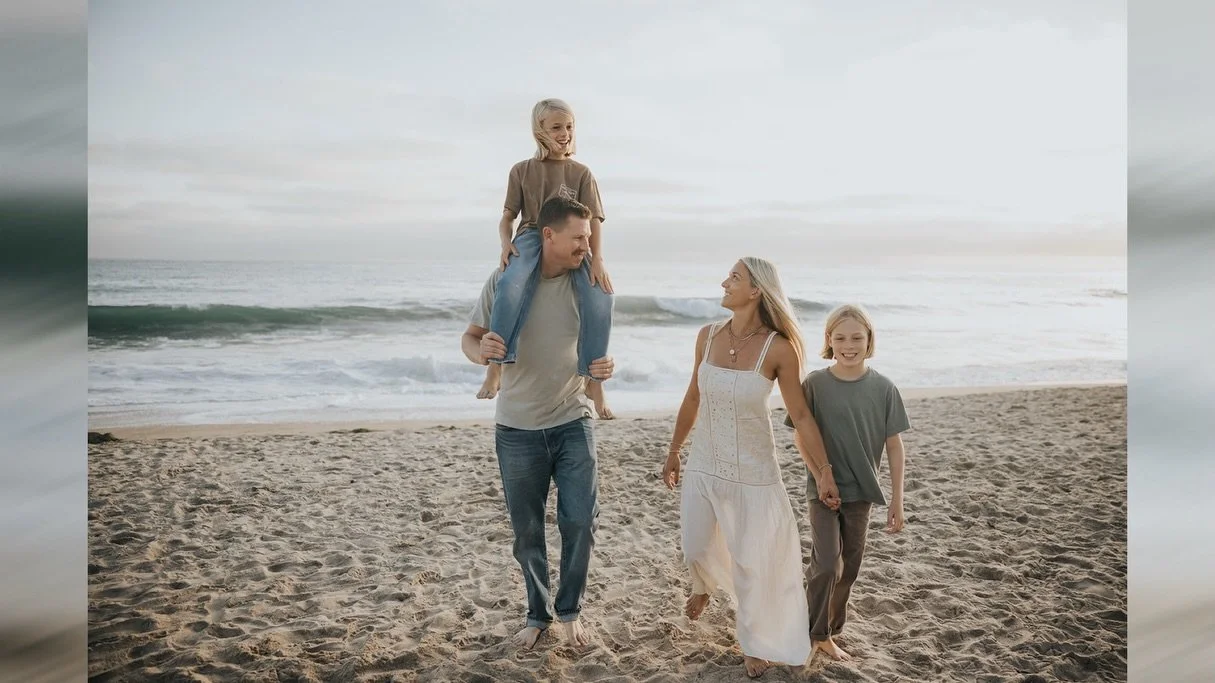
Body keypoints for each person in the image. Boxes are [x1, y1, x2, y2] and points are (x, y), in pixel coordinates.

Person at [661, 257, 840, 678]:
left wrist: (824, 470)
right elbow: (692, 398)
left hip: (753, 472)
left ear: (756, 290)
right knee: (695, 545)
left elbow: (801, 414)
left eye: (734, 278)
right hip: (705, 462)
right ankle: (703, 583)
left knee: (751, 562)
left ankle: (754, 641)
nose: (724, 282)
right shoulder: (706, 337)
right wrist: (674, 450)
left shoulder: (778, 347)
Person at [461, 195, 616, 650]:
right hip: (516, 428)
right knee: (527, 531)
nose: (587, 247)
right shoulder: (505, 282)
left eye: (589, 238)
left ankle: (569, 612)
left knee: (580, 521)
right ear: (547, 235)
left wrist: (603, 370)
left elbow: (596, 351)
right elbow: (470, 340)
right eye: (579, 238)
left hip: (572, 420)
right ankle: (537, 615)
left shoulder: (588, 284)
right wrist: (482, 351)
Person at [783, 303, 910, 662]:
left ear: (869, 340)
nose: (848, 344)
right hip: (822, 491)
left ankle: (830, 631)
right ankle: (815, 632)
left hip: (861, 494)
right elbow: (799, 437)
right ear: (828, 340)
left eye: (857, 337)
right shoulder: (815, 385)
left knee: (849, 567)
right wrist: (820, 474)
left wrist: (897, 499)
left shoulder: (884, 388)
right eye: (839, 337)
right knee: (826, 563)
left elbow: (894, 446)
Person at [477, 97, 616, 419]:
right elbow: (507, 217)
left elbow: (593, 219)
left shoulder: (581, 173)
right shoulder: (522, 170)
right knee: (510, 284)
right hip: (529, 235)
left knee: (601, 297)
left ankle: (594, 381)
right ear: (539, 130)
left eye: (569, 127)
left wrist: (597, 258)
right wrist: (504, 244)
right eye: (557, 127)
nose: (565, 133)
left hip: (571, 239)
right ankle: (496, 367)